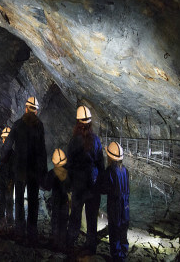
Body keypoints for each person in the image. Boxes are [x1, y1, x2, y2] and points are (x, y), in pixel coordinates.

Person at [0, 97, 47, 242]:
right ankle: (32, 232)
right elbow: (42, 151)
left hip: (20, 170)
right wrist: (43, 171)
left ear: (26, 108)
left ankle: (20, 231)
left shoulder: (17, 124)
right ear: (36, 111)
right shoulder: (39, 126)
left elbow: (8, 146)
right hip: (34, 170)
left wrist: (2, 160)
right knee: (33, 201)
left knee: (19, 200)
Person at [66, 105, 105, 254]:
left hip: (79, 185)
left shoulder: (74, 141)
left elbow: (69, 165)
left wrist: (68, 185)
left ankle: (70, 243)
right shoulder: (96, 140)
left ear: (78, 123)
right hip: (93, 185)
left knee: (75, 215)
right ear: (89, 123)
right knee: (91, 218)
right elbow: (101, 164)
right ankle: (91, 246)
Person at [105, 142, 130, 262]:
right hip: (125, 205)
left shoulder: (110, 171)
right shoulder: (125, 170)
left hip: (115, 205)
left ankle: (117, 257)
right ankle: (124, 251)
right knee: (123, 228)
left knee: (114, 230)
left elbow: (104, 188)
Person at [43, 148, 70, 251]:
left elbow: (47, 186)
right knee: (64, 222)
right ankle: (62, 244)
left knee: (55, 221)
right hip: (65, 201)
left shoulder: (52, 173)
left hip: (56, 200)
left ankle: (55, 243)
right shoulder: (69, 171)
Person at [0, 127, 14, 229]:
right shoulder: (1, 153)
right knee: (2, 201)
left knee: (9, 201)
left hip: (9, 181)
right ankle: (2, 220)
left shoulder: (13, 154)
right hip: (3, 181)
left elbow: (15, 169)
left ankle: (10, 221)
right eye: (4, 139)